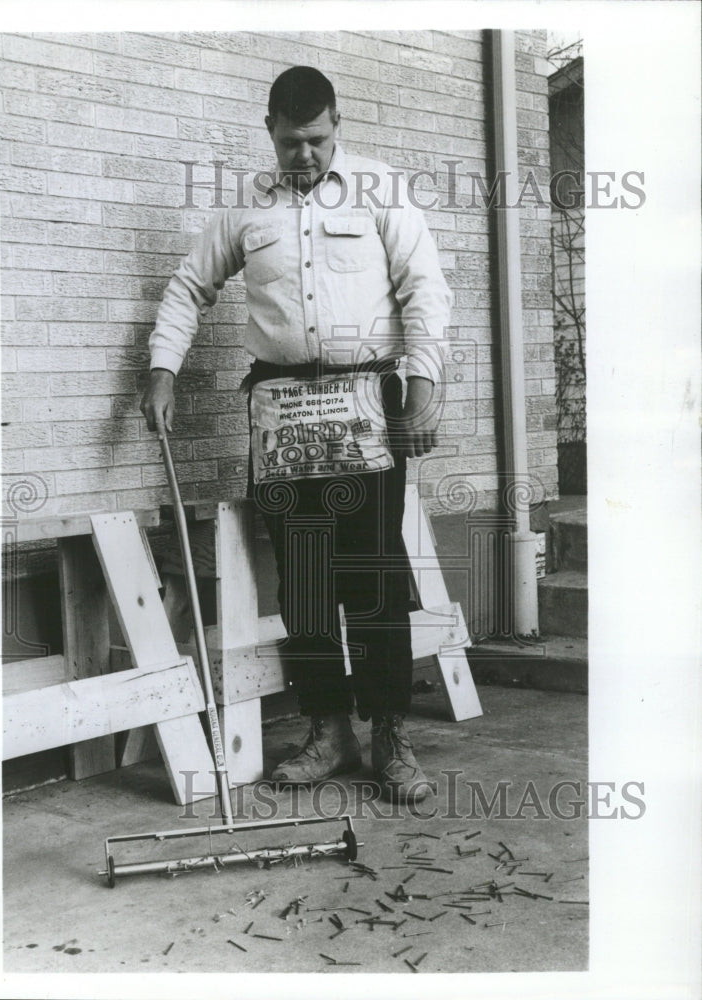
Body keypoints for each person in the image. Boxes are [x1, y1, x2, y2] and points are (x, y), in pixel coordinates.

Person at [141, 66, 452, 803]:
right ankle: (328, 728)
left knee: (373, 571)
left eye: (315, 140)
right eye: (289, 143)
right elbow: (190, 285)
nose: (303, 156)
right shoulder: (247, 207)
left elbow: (424, 286)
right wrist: (162, 369)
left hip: (367, 400)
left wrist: (425, 381)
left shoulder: (381, 190)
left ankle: (389, 735)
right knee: (305, 575)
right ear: (269, 132)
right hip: (282, 411)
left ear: (337, 124)